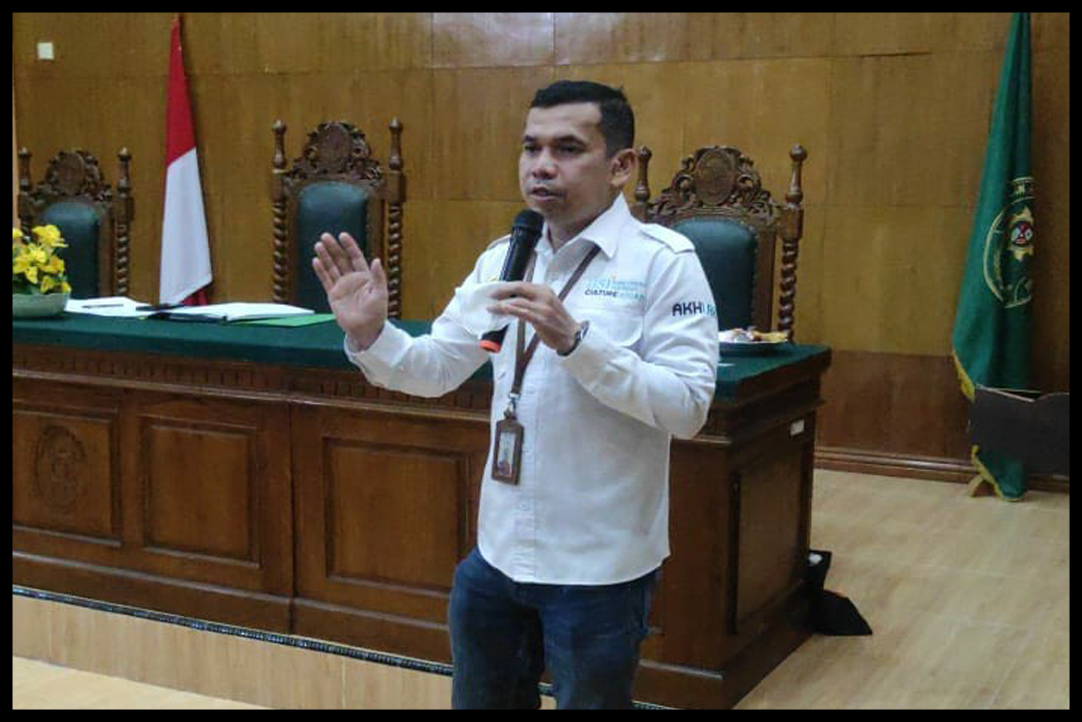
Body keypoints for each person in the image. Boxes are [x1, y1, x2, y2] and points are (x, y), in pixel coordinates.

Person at [312, 80, 719, 709]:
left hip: (597, 567)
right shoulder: (505, 257)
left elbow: (688, 408)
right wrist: (371, 334)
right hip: (497, 557)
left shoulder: (663, 262)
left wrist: (576, 342)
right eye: (531, 148)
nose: (542, 166)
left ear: (621, 166)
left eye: (567, 149)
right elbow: (436, 368)